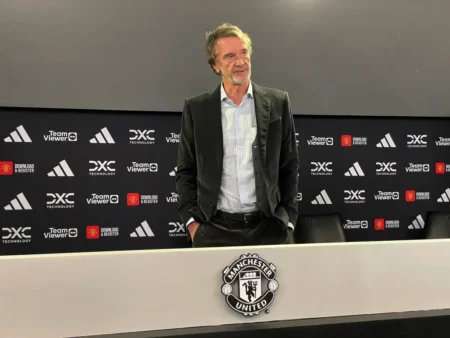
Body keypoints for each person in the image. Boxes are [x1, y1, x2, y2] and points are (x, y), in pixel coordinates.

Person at [176, 23, 299, 247]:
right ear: (215, 66)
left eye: (244, 52)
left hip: (268, 228)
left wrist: (287, 219)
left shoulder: (277, 103)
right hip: (214, 230)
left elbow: (289, 165)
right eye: (230, 56)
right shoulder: (197, 109)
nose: (240, 61)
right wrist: (193, 225)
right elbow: (186, 170)